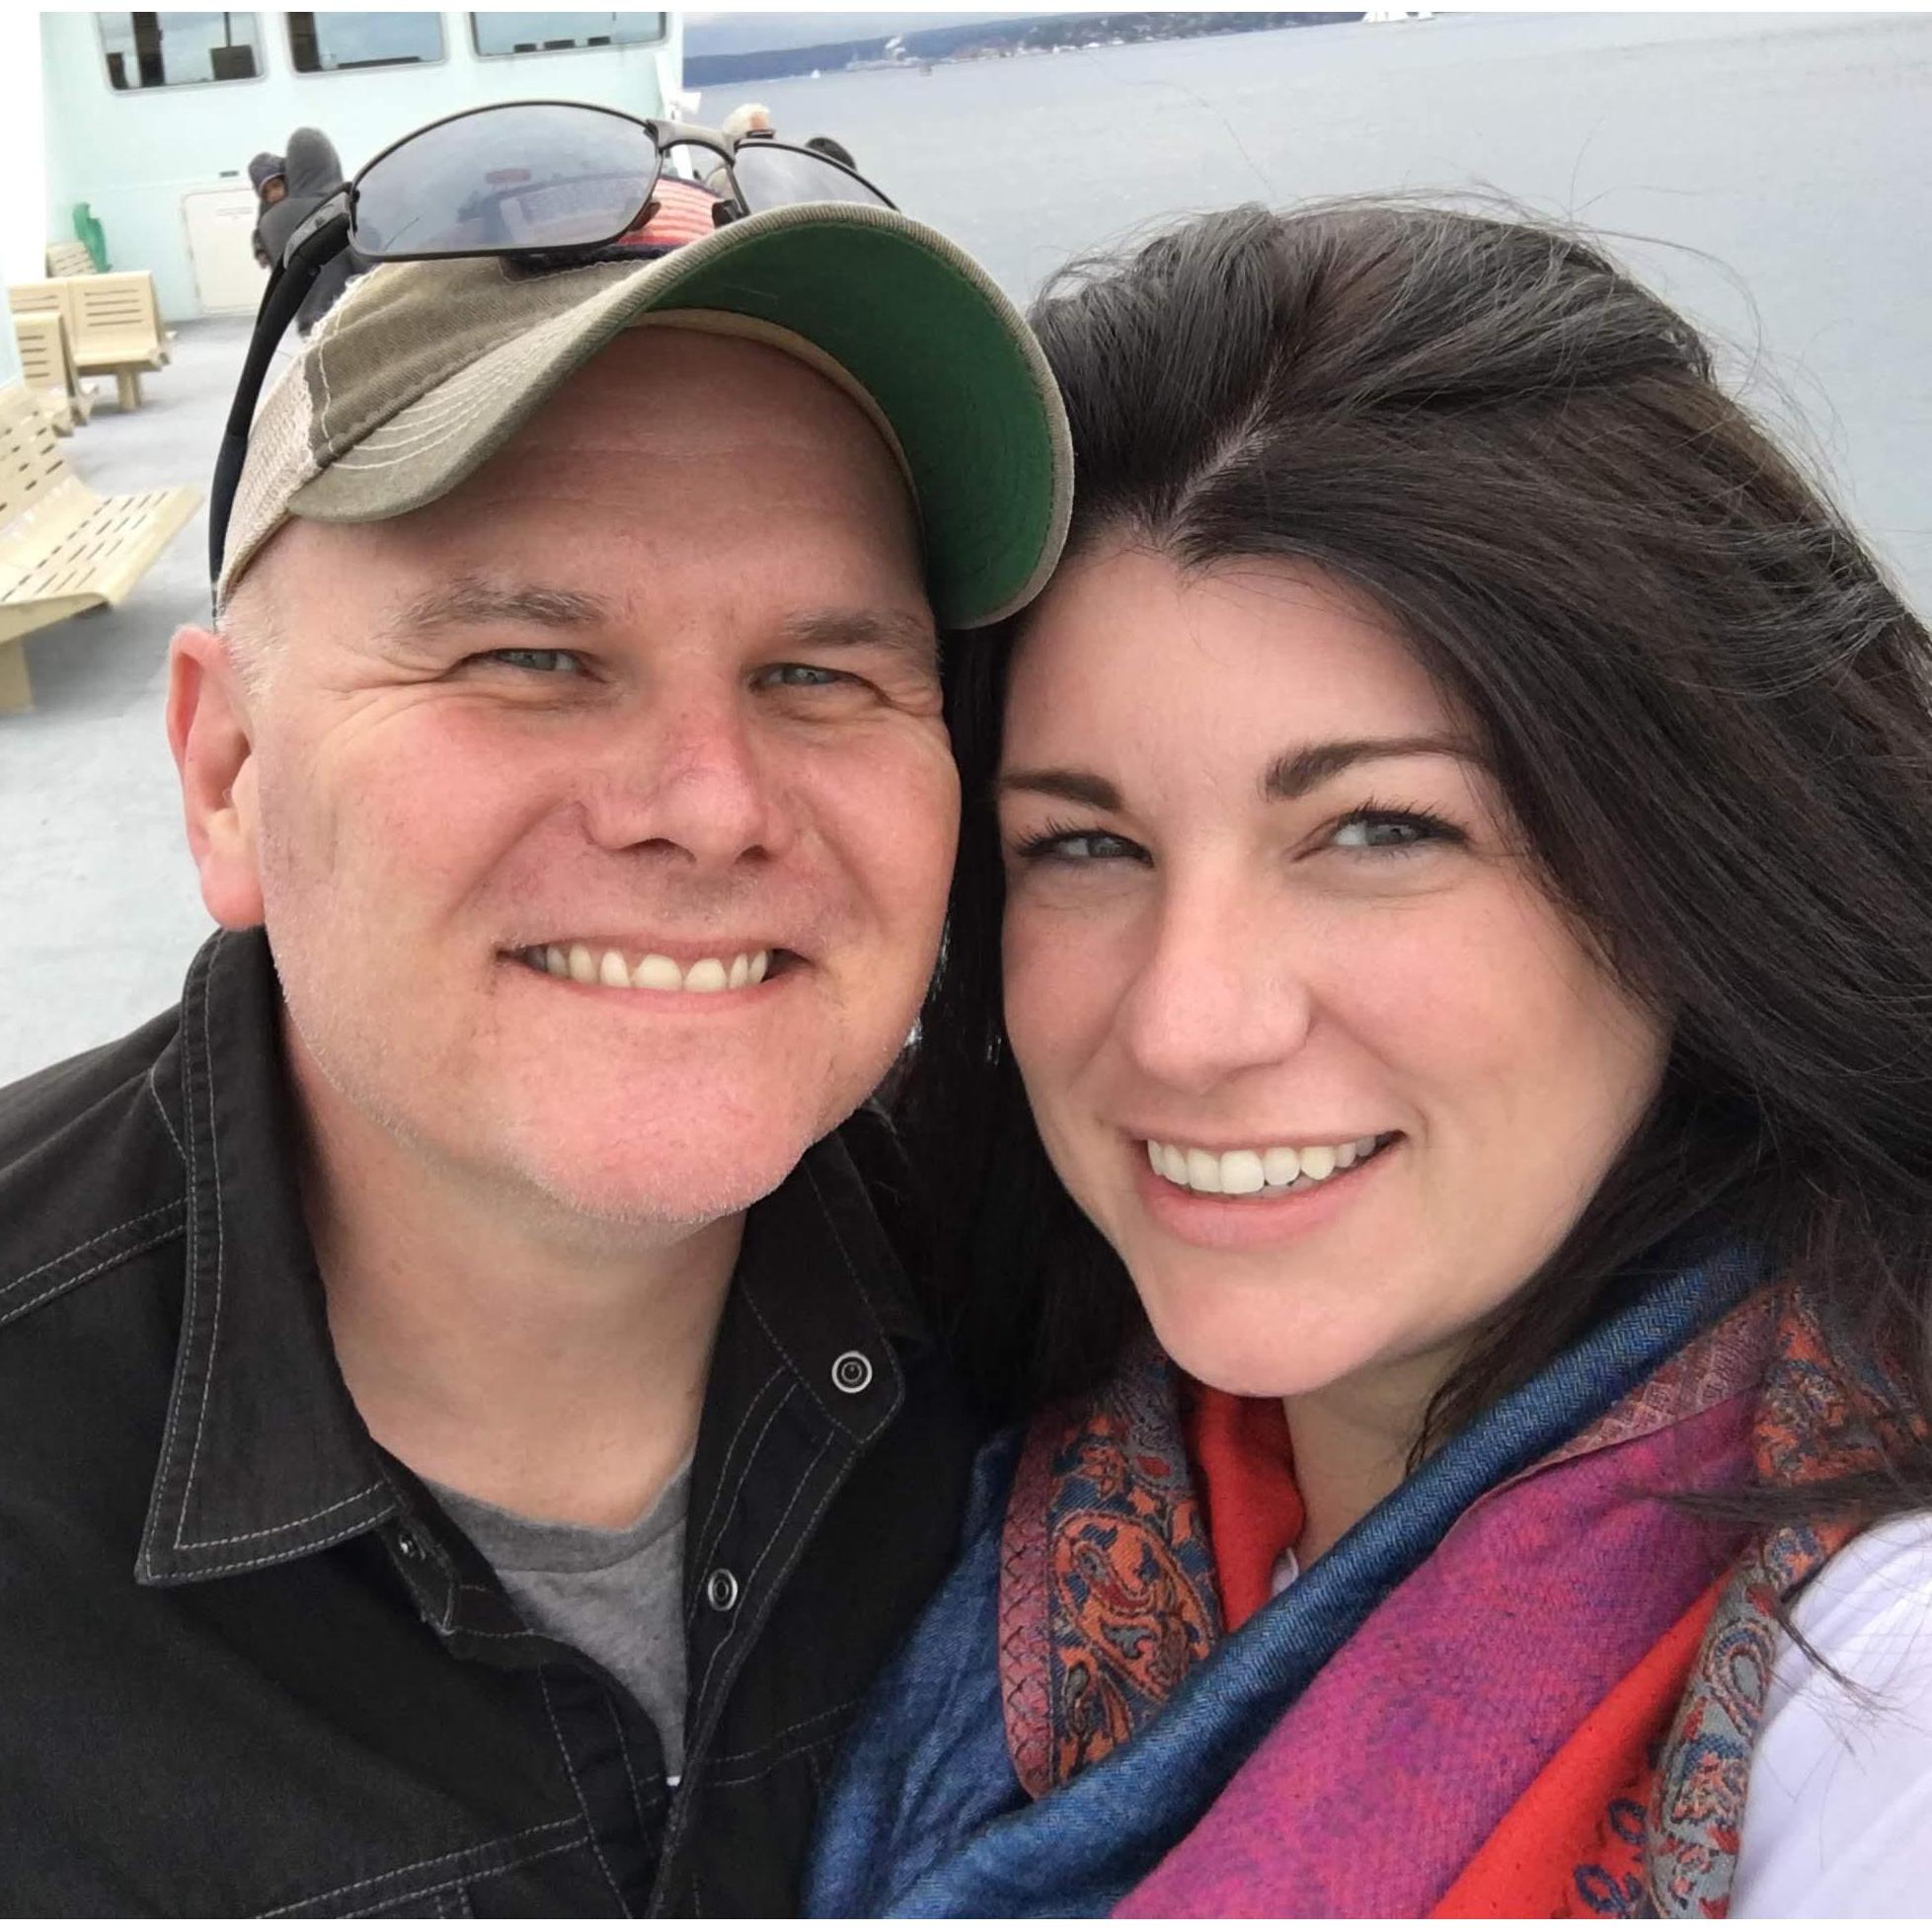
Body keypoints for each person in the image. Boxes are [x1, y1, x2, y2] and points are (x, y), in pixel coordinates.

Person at [807, 202, 1932, 1916]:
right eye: (1083, 846)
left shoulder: (1869, 1689)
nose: (1189, 1021)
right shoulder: (918, 1476)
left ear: (1692, 864)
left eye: (1378, 828)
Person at [0, 163, 1072, 1911]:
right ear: (228, 774)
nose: (712, 807)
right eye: (531, 657)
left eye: (818, 675)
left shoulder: (1069, 1314)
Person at [256, 125, 358, 332]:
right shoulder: (342, 205)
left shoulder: (268, 222)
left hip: (306, 323)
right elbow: (368, 265)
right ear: (331, 161)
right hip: (350, 319)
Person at [248, 149, 286, 270]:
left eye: (276, 186)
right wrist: (260, 250)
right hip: (280, 263)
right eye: (266, 192)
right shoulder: (266, 207)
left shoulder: (298, 200)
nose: (273, 194)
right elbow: (259, 232)